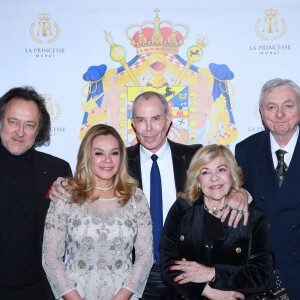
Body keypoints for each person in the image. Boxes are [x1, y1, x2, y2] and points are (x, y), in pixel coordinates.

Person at [49, 91, 249, 300]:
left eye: (155, 119)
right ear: (133, 123)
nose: (149, 128)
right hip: (136, 280)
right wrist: (63, 184)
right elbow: (88, 182)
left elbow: (224, 180)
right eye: (141, 120)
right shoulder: (117, 161)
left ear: (168, 119)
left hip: (192, 272)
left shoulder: (193, 157)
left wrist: (243, 193)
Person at [42, 124, 153, 300]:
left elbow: (145, 256)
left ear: (121, 157)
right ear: (88, 156)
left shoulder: (135, 198)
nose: (108, 160)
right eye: (99, 153)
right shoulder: (66, 195)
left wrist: (121, 298)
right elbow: (51, 258)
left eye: (114, 153)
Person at [160, 145, 271, 300]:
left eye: (221, 169)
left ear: (232, 174)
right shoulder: (182, 208)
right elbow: (168, 265)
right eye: (205, 172)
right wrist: (207, 291)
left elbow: (260, 276)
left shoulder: (254, 217)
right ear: (197, 180)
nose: (214, 178)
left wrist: (213, 273)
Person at [0, 87, 72, 300]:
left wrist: (74, 193)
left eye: (29, 125)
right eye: (13, 122)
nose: (20, 132)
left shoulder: (57, 170)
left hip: (38, 290)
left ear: (39, 129)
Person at [235, 78, 300, 299]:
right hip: (263, 277)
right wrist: (239, 192)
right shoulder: (245, 150)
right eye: (272, 107)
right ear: (261, 113)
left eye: (288, 106)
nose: (280, 114)